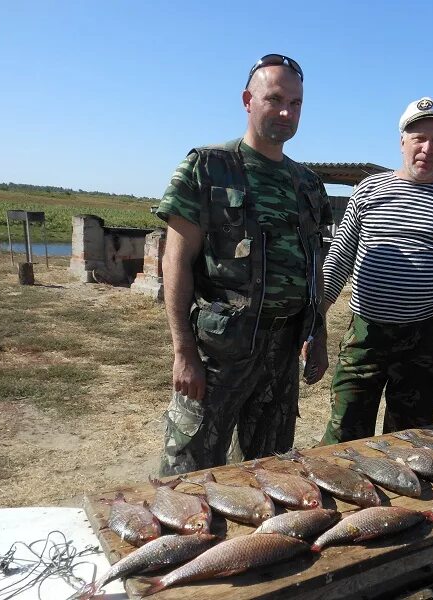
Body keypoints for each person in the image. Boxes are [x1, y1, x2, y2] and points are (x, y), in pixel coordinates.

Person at [156, 54, 332, 475]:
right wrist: (183, 352)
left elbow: (314, 266)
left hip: (282, 353)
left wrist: (318, 332)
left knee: (271, 470)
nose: (287, 112)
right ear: (247, 100)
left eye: (296, 103)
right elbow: (176, 261)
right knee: (189, 471)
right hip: (220, 352)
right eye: (275, 99)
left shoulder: (307, 184)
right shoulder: (208, 167)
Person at [318, 97, 433, 445]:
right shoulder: (369, 190)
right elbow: (339, 260)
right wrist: (316, 322)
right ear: (402, 141)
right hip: (366, 336)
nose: (428, 148)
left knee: (410, 441)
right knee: (344, 437)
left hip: (424, 341)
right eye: (419, 138)